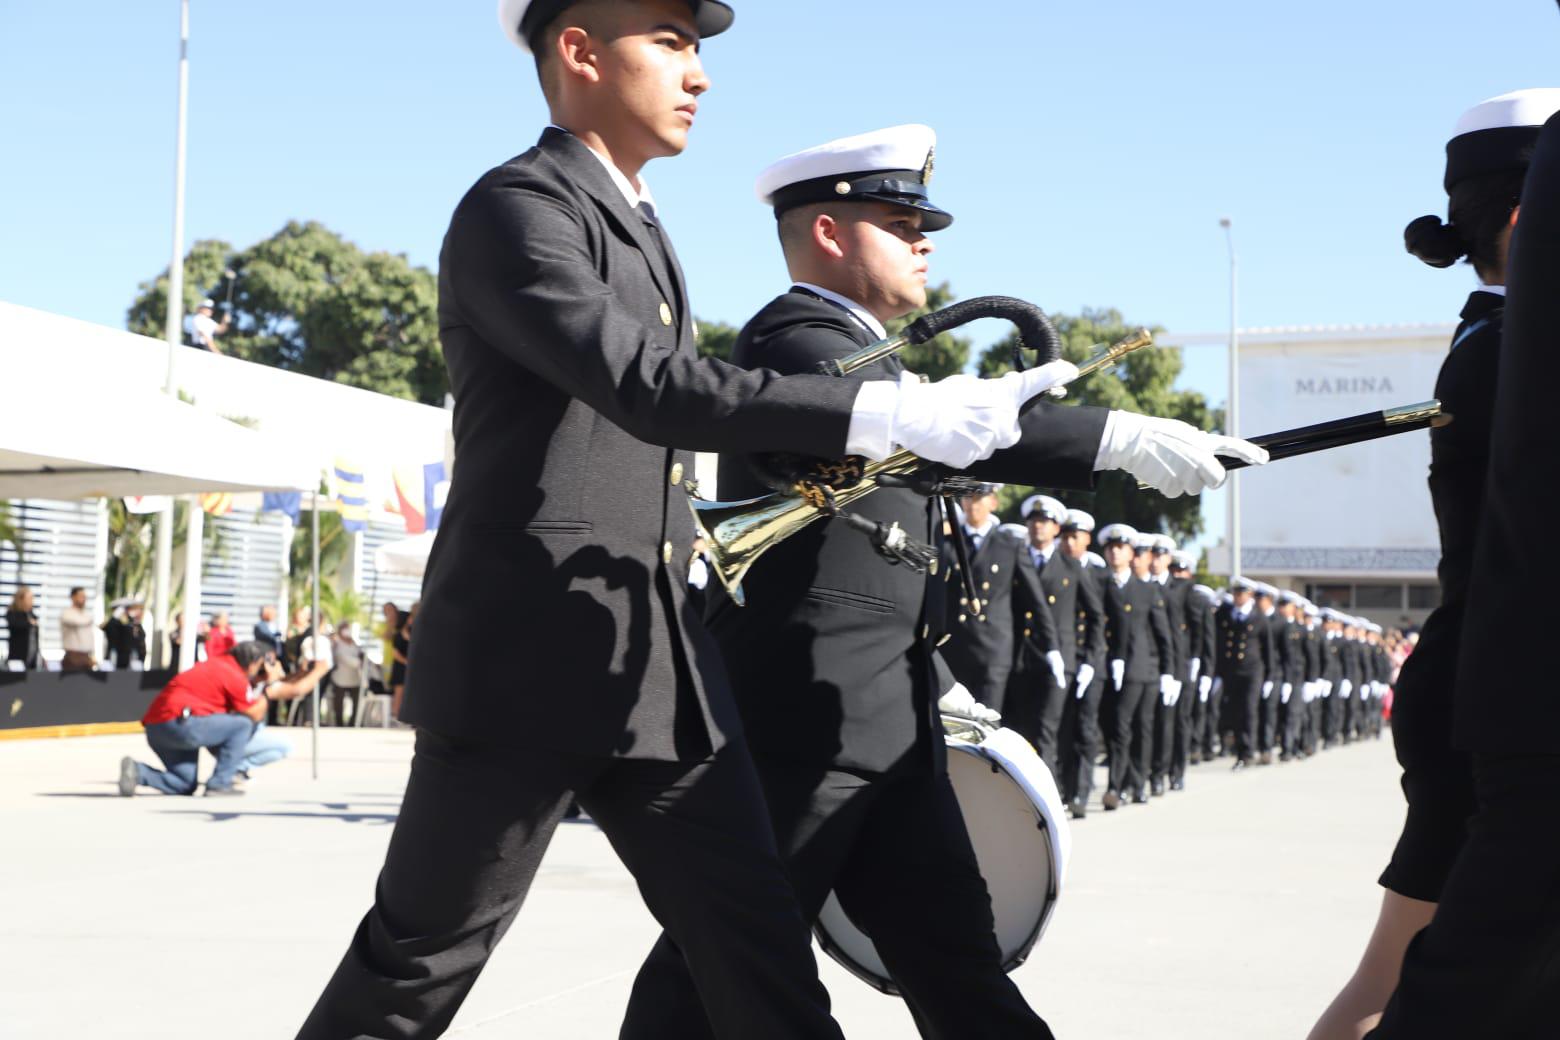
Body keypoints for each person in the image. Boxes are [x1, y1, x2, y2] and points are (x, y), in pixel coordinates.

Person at [294, 6, 1117, 1036]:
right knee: (419, 960)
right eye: (672, 42)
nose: (701, 74)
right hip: (527, 660)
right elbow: (648, 383)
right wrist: (899, 409)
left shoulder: (641, 228)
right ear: (580, 51)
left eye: (699, 47)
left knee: (758, 955)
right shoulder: (518, 209)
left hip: (653, 669)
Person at [620, 123, 1263, 1040]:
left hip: (889, 722)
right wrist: (1110, 438)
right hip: (806, 723)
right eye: (899, 220)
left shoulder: (873, 359)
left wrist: (943, 682)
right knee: (718, 963)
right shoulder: (797, 343)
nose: (925, 241)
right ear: (831, 235)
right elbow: (923, 435)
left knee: (953, 964)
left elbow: (900, 549)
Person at [1311, 88, 1560, 1040]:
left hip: (1474, 684)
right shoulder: (1503, 353)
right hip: (1483, 700)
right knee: (1408, 990)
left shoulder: (1501, 340)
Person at [941, 484, 1051, 717]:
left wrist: (1052, 646)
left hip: (992, 648)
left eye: (979, 497)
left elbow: (1035, 599)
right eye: (968, 497)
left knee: (988, 721)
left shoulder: (1009, 544)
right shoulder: (947, 541)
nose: (973, 503)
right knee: (954, 723)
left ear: (993, 502)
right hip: (956, 645)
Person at [118, 641, 280, 797]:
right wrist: (270, 686)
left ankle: (137, 771)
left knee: (184, 783)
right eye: (266, 663)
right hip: (182, 724)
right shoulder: (233, 674)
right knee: (242, 725)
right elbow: (254, 713)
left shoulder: (217, 665)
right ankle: (220, 783)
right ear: (255, 661)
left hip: (157, 728)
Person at [1007, 494, 1096, 776]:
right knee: (1020, 731)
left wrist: (1090, 660)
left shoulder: (1072, 567)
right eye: (1033, 521)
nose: (1038, 526)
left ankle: (1048, 798)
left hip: (1059, 659)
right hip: (1022, 655)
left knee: (1047, 730)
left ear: (1057, 528)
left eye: (1045, 521)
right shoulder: (1015, 560)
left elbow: (1095, 616)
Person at [1097, 524, 1173, 809]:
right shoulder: (1100, 583)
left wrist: (1168, 671)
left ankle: (1131, 784)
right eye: (1111, 547)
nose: (1115, 552)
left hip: (1141, 670)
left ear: (1131, 553)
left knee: (1137, 728)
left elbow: (1162, 633)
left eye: (1121, 547)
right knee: (1116, 728)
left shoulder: (1145, 589)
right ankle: (1120, 784)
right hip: (1106, 667)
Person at [1056, 509, 1108, 817]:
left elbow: (1101, 620)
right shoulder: (1055, 568)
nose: (1068, 543)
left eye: (1074, 537)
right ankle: (1064, 786)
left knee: (1086, 730)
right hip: (1064, 659)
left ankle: (1082, 790)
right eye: (1064, 537)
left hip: (1092, 662)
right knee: (1063, 727)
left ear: (1087, 539)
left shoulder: (1099, 574)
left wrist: (1093, 659)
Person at [1214, 576, 1272, 770]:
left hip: (1252, 671)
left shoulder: (1259, 617)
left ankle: (1246, 752)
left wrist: (1270, 677)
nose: (1238, 597)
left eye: (1242, 593)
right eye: (1235, 593)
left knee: (1248, 711)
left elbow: (1268, 649)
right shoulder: (1225, 614)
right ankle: (1237, 747)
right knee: (1234, 711)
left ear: (1250, 595)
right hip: (1231, 671)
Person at [58, 586, 95, 672]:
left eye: (85, 597)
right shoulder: (67, 613)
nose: (84, 599)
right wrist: (89, 620)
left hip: (86, 657)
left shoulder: (85, 614)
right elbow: (77, 622)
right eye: (81, 596)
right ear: (73, 597)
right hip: (73, 657)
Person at [101, 602, 147, 671]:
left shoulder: (133, 623)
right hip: (115, 660)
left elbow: (138, 638)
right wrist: (114, 618)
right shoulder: (115, 624)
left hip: (131, 660)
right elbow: (109, 630)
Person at [5, 587, 41, 671]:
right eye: (29, 598)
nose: (32, 600)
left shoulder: (31, 614)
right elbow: (15, 625)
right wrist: (29, 623)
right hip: (18, 655)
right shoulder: (13, 613)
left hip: (32, 655)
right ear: (21, 599)